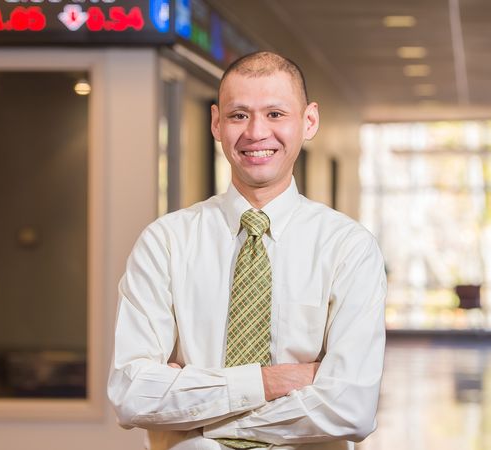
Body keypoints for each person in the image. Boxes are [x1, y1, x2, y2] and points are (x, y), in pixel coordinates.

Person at [107, 51, 387, 450]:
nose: (256, 132)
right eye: (239, 115)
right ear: (216, 123)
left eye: (275, 114)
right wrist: (271, 381)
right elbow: (131, 394)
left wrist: (199, 417)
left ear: (309, 121)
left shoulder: (348, 248)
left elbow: (350, 408)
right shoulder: (165, 243)